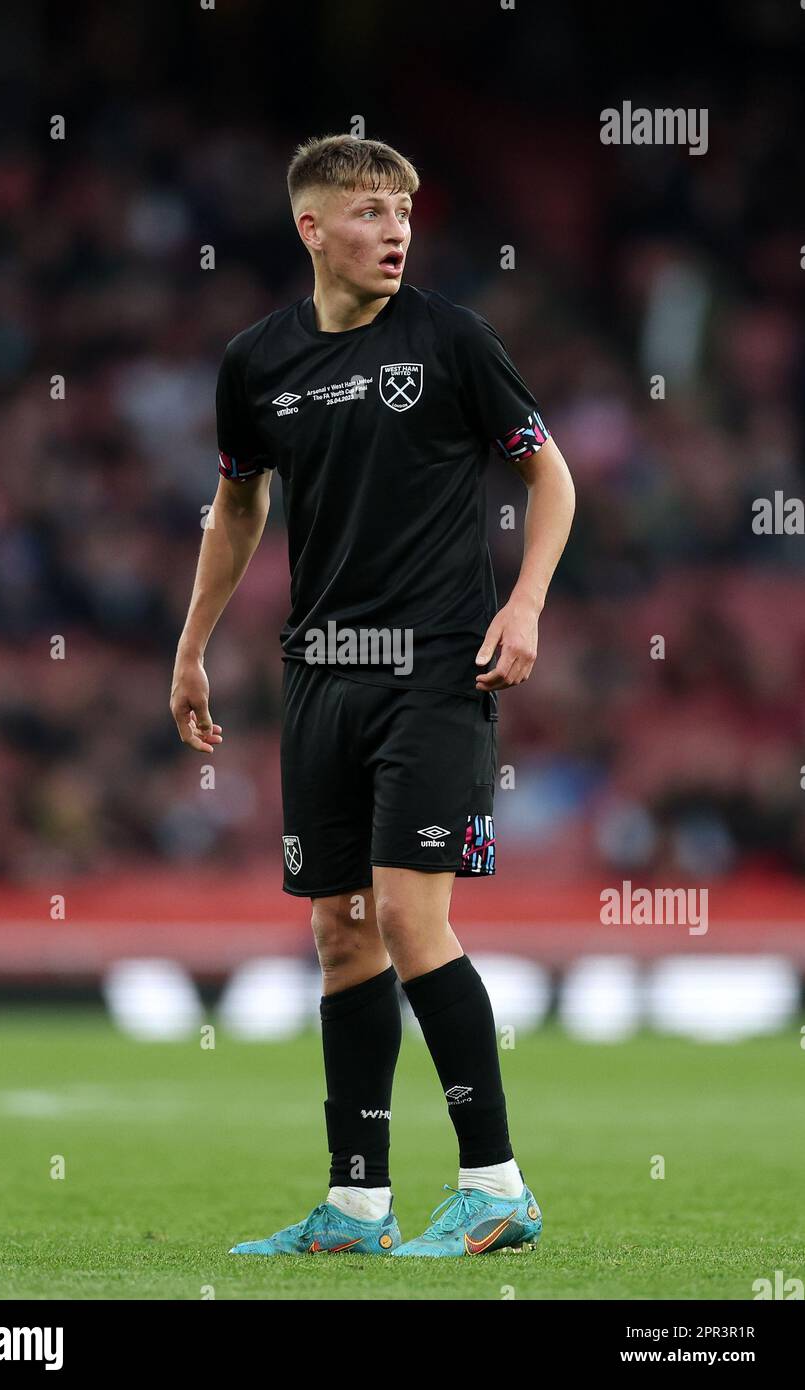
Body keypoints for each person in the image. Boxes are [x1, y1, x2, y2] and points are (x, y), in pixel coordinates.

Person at [170, 134, 575, 1257]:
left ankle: (495, 1185)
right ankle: (356, 1202)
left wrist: (527, 602)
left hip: (435, 670)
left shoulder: (449, 340)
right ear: (310, 228)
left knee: (407, 918)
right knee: (339, 936)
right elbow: (237, 506)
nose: (393, 229)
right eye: (366, 212)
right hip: (319, 678)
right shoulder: (254, 363)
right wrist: (192, 645)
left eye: (402, 210)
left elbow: (547, 472)